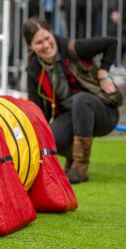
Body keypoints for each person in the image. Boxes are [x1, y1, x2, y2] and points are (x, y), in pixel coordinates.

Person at [22, 18, 119, 184]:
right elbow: (37, 112)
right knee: (51, 136)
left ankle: (80, 167)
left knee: (81, 100)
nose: (46, 45)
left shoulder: (72, 48)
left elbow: (111, 42)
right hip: (71, 115)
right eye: (39, 42)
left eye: (47, 38)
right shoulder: (33, 70)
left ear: (52, 34)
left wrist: (103, 73)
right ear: (31, 46)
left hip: (103, 112)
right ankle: (74, 158)